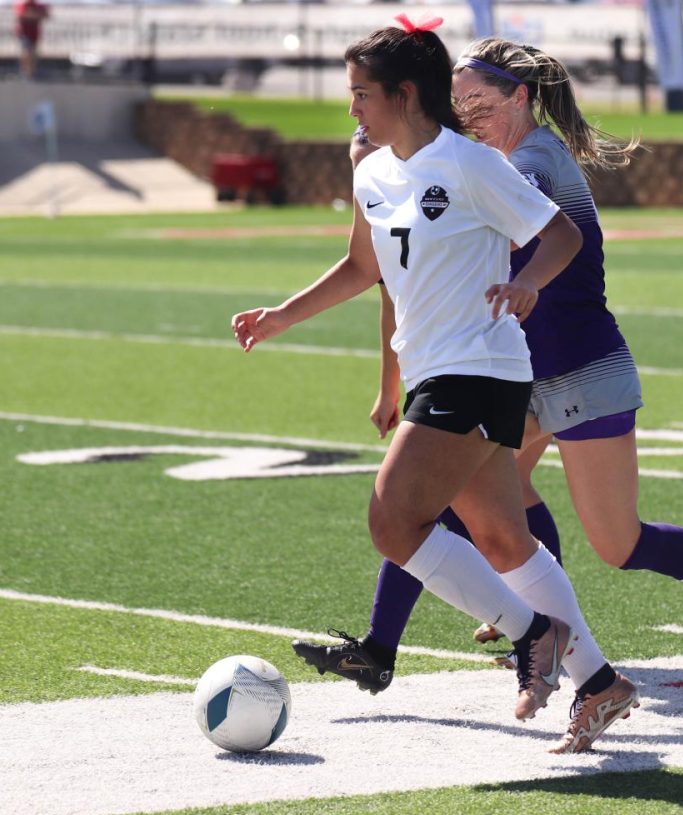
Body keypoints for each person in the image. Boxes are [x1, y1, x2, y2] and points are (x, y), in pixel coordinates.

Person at [293, 35, 683, 752]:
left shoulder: (520, 163)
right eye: (457, 102)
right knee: (474, 514)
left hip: (581, 369)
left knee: (616, 543)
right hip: (514, 369)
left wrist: (397, 165)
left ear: (520, 98)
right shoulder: (449, 165)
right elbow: (400, 271)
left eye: (478, 102)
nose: (465, 114)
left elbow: (517, 231)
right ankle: (410, 649)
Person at [233, 19, 637, 744]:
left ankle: (528, 636)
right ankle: (600, 683)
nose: (352, 108)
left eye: (362, 94)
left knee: (392, 519)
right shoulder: (371, 172)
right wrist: (281, 318)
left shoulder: (472, 164)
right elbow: (362, 268)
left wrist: (530, 287)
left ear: (405, 93)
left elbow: (562, 235)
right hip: (431, 368)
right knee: (503, 541)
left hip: (482, 368)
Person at [14, 0, 49, 80]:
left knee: (33, 52)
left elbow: (46, 15)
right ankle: (25, 70)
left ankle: (31, 71)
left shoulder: (38, 5)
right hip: (24, 33)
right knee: (27, 51)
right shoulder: (23, 4)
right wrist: (35, 15)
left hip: (34, 33)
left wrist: (33, 15)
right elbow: (21, 15)